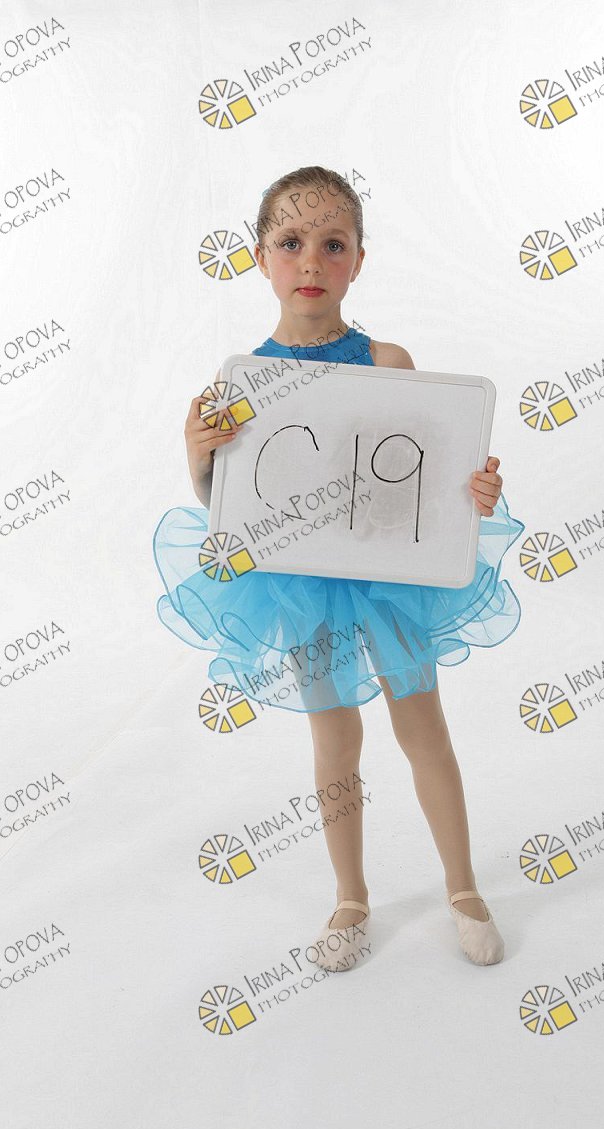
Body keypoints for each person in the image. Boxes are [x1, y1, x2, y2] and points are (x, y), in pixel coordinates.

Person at [152, 165, 525, 972]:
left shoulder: (387, 360)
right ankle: (351, 897)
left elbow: (426, 473)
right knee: (334, 737)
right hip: (300, 583)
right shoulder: (241, 381)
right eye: (291, 243)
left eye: (332, 243)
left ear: (358, 258)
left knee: (422, 727)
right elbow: (232, 507)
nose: (311, 262)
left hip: (390, 578)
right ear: (261, 257)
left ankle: (463, 887)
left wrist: (474, 493)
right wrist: (198, 456)